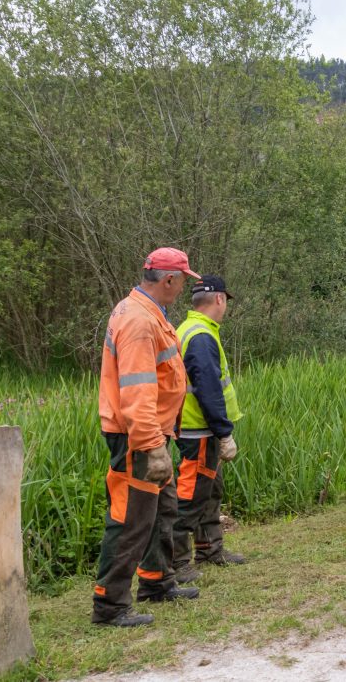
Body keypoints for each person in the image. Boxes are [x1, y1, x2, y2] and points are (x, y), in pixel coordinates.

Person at [93, 247, 201, 627]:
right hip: (138, 436)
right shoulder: (139, 321)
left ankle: (157, 581)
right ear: (169, 280)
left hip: (154, 432)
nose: (184, 287)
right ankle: (110, 605)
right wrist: (152, 446)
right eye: (184, 280)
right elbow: (137, 391)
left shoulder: (146, 312)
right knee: (131, 518)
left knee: (161, 510)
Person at [173, 275, 245, 584]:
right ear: (219, 299)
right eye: (226, 300)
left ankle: (210, 549)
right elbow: (208, 389)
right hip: (198, 429)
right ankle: (177, 562)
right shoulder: (201, 335)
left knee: (210, 492)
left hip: (200, 428)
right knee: (190, 497)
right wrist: (223, 432)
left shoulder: (190, 329)